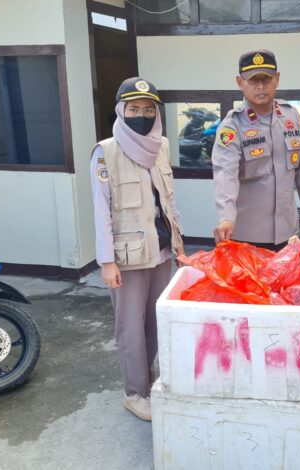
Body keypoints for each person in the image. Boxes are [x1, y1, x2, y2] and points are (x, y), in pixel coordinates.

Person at [90, 77, 185, 421]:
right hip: (126, 256)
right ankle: (134, 391)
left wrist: (179, 245)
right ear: (121, 110)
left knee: (155, 320)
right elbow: (101, 211)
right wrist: (106, 262)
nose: (141, 115)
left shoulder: (161, 146)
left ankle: (147, 380)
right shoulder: (106, 151)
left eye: (148, 109)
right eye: (134, 109)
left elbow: (168, 201)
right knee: (130, 324)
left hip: (160, 250)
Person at [212, 49, 300, 247]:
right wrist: (226, 217)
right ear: (240, 83)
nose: (261, 86)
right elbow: (225, 175)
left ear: (277, 79)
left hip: (287, 230)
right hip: (248, 234)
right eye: (253, 80)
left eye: (267, 79)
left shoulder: (291, 117)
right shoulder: (232, 125)